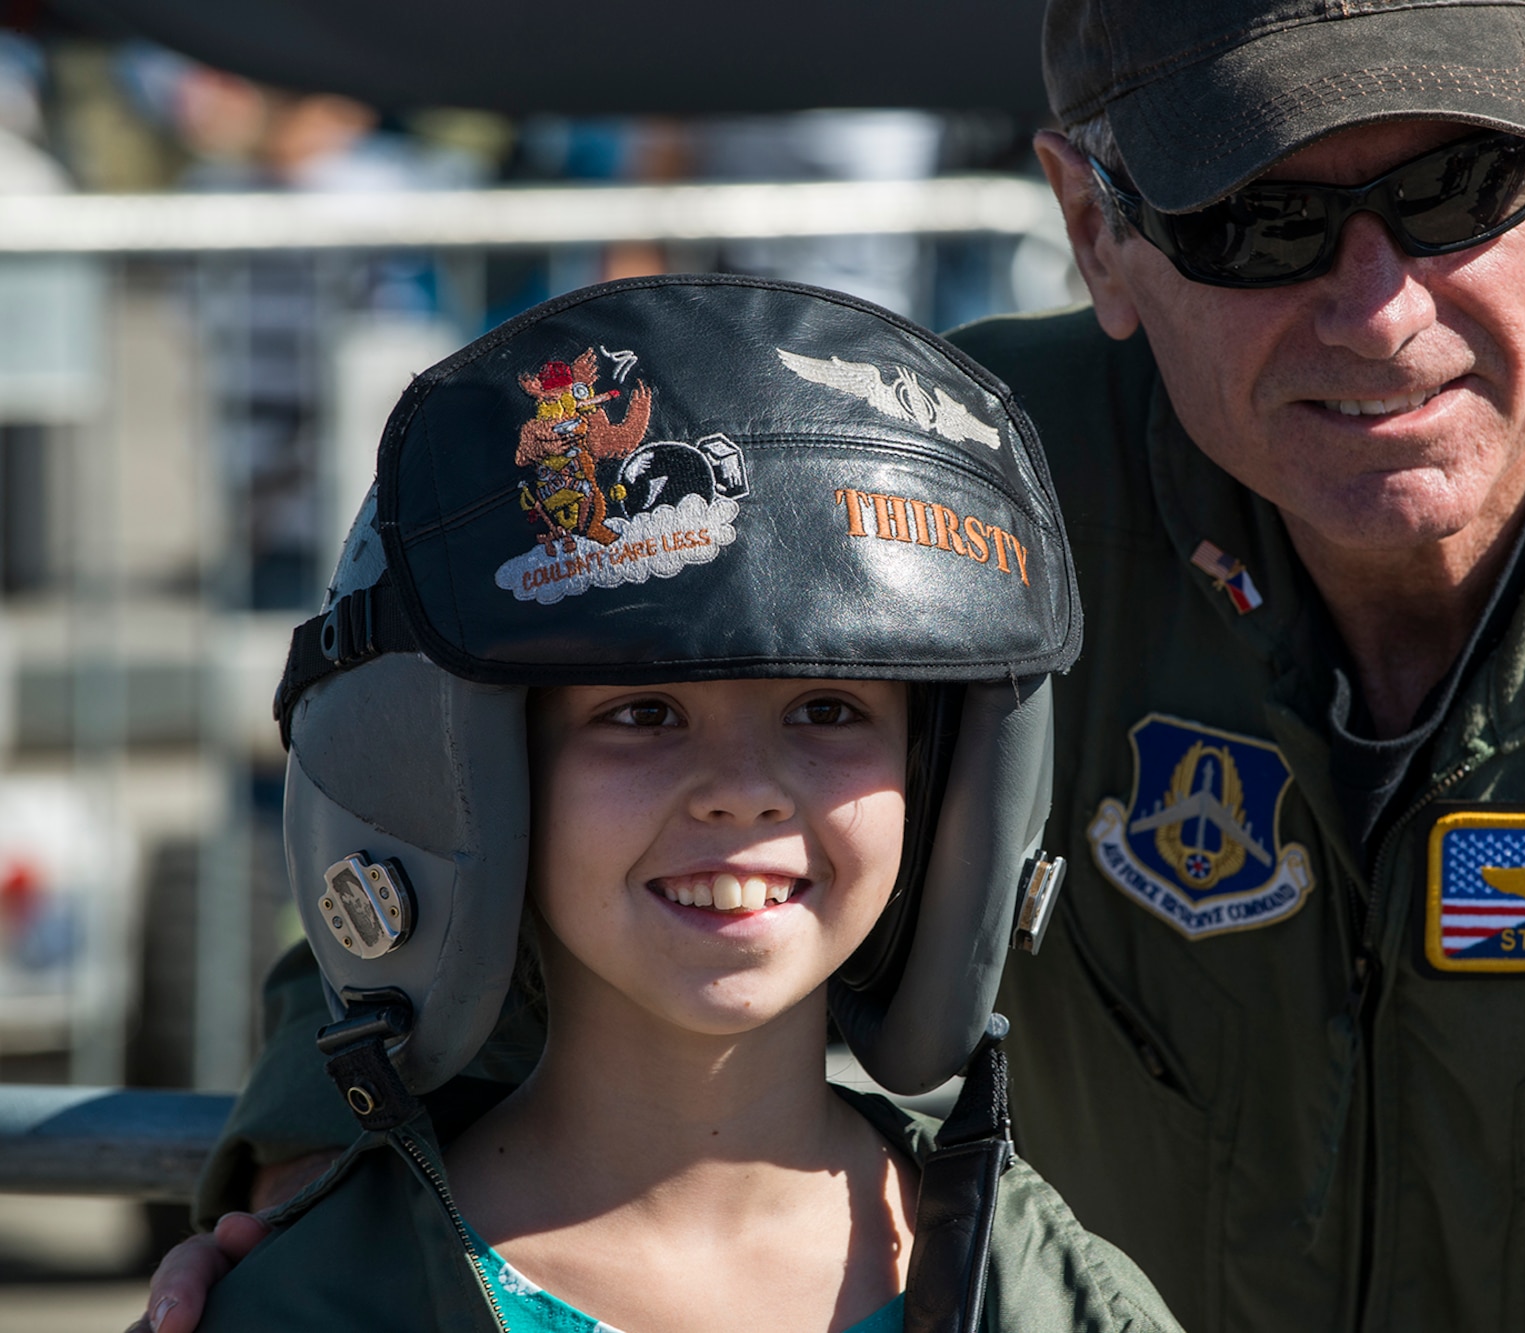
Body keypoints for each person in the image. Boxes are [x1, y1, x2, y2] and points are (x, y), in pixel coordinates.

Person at [150, 2, 1525, 1330]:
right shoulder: (918, 505)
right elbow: (459, 803)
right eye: (1259, 215)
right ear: (1092, 220)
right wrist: (328, 1177)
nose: (1379, 299)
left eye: (1460, 182)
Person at [168, 274, 1182, 1333]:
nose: (742, 792)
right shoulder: (318, 1305)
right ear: (472, 784)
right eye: (644, 713)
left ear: (939, 787)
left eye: (828, 708)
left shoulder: (1054, 1305)